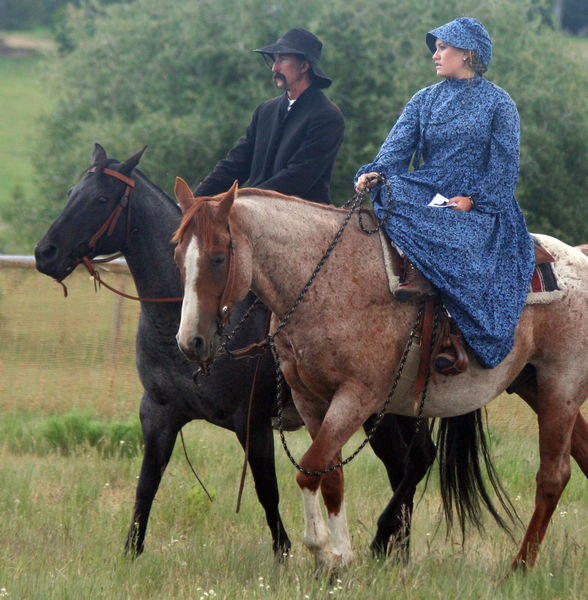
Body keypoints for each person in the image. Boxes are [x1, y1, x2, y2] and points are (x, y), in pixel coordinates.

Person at [355, 17, 535, 370]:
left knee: (462, 235)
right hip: (429, 187)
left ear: (467, 52)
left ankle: (454, 326)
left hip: (478, 199)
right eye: (436, 48)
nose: (435, 55)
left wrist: (476, 202)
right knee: (391, 191)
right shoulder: (424, 100)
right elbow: (395, 151)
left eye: (443, 47)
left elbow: (504, 167)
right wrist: (373, 174)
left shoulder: (499, 103)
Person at [193, 28, 345, 205]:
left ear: (304, 66)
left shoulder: (327, 117)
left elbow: (296, 179)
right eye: (274, 60)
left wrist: (239, 202)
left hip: (304, 220)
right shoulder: (265, 111)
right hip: (253, 213)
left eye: (283, 59)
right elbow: (234, 165)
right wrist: (192, 201)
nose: (275, 67)